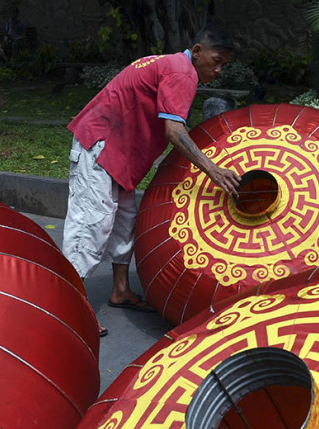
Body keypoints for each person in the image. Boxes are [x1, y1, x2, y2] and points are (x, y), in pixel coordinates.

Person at [63, 24, 241, 337]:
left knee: (125, 223)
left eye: (223, 65)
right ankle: (68, 309)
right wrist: (213, 170)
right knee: (92, 227)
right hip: (100, 145)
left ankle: (120, 291)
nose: (218, 70)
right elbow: (175, 131)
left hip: (116, 151)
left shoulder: (172, 64)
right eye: (216, 61)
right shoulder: (182, 72)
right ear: (197, 51)